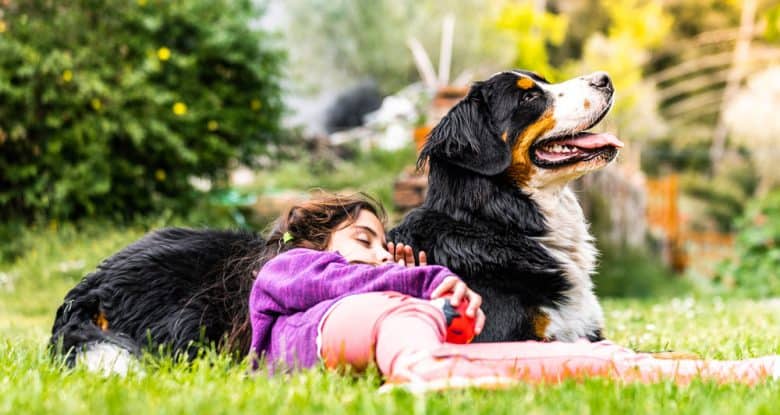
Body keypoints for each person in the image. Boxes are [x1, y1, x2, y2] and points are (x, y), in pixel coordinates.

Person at [249, 193, 779, 391]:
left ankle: (735, 372)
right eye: (363, 239)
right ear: (312, 242)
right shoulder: (291, 268)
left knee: (579, 358)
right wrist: (425, 281)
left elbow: (383, 289)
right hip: (364, 334)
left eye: (383, 244)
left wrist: (434, 304)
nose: (381, 253)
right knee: (395, 314)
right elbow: (343, 281)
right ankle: (424, 374)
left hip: (400, 339)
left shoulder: (389, 291)